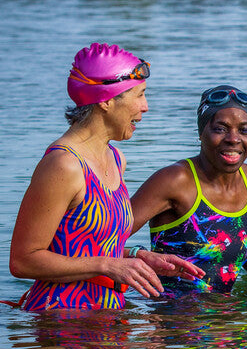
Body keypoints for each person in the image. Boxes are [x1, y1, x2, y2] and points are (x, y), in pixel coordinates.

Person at [7, 43, 203, 311]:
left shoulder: (115, 159)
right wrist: (107, 265)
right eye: (139, 95)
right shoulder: (64, 165)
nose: (145, 107)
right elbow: (23, 261)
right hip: (60, 324)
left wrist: (139, 257)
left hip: (107, 321)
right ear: (107, 101)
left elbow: (81, 244)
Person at [129, 85, 247, 296]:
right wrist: (135, 254)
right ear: (201, 133)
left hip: (233, 320)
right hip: (176, 322)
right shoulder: (174, 181)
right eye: (220, 129)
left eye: (243, 130)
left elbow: (241, 234)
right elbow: (102, 239)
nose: (233, 138)